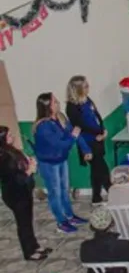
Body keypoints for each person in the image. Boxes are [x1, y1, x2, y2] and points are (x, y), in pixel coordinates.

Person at [32, 92, 89, 233]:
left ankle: (69, 216)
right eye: (55, 102)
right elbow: (60, 144)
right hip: (49, 164)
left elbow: (74, 132)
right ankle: (61, 222)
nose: (58, 103)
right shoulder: (43, 126)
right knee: (55, 193)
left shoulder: (60, 118)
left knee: (64, 189)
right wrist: (72, 137)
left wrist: (86, 149)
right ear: (47, 106)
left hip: (61, 160)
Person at [0, 126, 48, 260]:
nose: (12, 137)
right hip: (15, 195)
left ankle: (35, 246)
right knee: (23, 224)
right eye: (9, 136)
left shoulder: (12, 151)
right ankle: (29, 252)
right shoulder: (3, 157)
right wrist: (30, 170)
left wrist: (29, 163)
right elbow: (17, 179)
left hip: (24, 192)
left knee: (28, 221)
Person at [63, 76, 110, 203]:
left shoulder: (86, 100)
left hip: (98, 138)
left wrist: (103, 129)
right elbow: (80, 126)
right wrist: (97, 133)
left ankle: (96, 196)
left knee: (97, 170)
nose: (88, 88)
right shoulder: (72, 107)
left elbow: (96, 115)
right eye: (85, 86)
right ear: (77, 89)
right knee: (101, 168)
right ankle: (111, 192)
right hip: (88, 142)